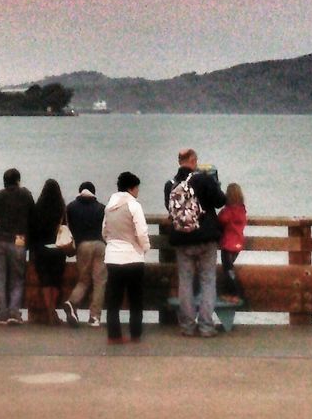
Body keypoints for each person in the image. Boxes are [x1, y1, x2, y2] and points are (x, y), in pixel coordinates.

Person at [164, 147, 226, 337]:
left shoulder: (171, 184)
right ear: (192, 160)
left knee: (185, 282)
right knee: (208, 281)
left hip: (182, 239)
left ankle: (188, 326)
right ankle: (206, 326)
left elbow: (170, 208)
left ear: (179, 161)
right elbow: (220, 201)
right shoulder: (204, 179)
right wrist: (215, 183)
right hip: (206, 238)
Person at [102, 171, 150, 344]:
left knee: (113, 299)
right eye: (137, 187)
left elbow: (104, 231)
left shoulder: (109, 206)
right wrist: (145, 248)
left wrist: (112, 244)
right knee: (135, 298)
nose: (138, 191)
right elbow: (141, 232)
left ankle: (114, 335)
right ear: (131, 188)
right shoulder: (134, 206)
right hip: (133, 258)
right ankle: (135, 333)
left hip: (113, 258)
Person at [0, 168, 34, 325]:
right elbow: (32, 212)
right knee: (17, 277)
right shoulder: (25, 194)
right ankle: (14, 312)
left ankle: (2, 313)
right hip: (19, 239)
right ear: (18, 180)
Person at [64, 180, 107, 327]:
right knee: (99, 282)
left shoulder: (71, 207)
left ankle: (72, 302)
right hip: (100, 245)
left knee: (84, 280)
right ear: (93, 193)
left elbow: (66, 227)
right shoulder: (102, 208)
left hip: (82, 246)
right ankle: (94, 317)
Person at [30, 178, 70, 326]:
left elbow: (32, 229)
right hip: (58, 249)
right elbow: (65, 227)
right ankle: (53, 310)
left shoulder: (38, 208)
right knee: (55, 281)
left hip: (41, 248)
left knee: (45, 280)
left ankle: (50, 310)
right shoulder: (61, 208)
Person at [218, 182, 247, 303]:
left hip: (228, 245)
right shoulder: (242, 211)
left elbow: (221, 220)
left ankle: (234, 294)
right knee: (229, 269)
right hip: (238, 244)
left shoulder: (228, 211)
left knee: (228, 270)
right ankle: (229, 294)